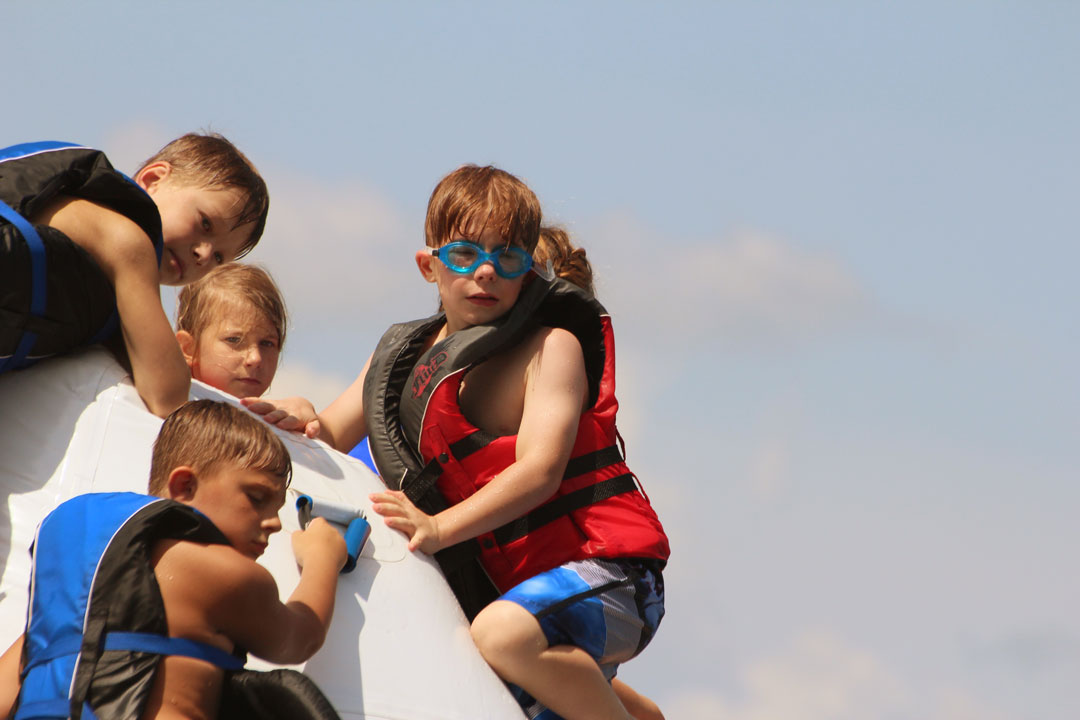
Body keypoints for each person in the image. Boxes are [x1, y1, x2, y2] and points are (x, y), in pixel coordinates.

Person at [248, 165, 669, 720]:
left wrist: (438, 528)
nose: (486, 272)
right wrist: (299, 413)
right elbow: (325, 434)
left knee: (500, 635)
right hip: (520, 599)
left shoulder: (553, 347)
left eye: (508, 258)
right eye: (466, 255)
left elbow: (541, 471)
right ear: (430, 265)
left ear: (528, 271)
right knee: (486, 682)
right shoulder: (399, 359)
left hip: (614, 576)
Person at [0, 400, 347, 720]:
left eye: (277, 509)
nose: (273, 523)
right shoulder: (228, 573)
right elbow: (299, 637)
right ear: (184, 486)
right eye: (257, 498)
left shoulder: (76, 591)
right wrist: (322, 560)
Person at [0, 134, 270, 417]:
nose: (203, 254)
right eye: (204, 223)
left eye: (218, 257)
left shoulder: (109, 289)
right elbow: (168, 396)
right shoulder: (128, 243)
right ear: (153, 179)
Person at [175, 263, 286, 399]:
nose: (256, 358)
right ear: (188, 348)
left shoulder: (275, 417)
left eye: (267, 343)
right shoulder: (169, 409)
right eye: (234, 339)